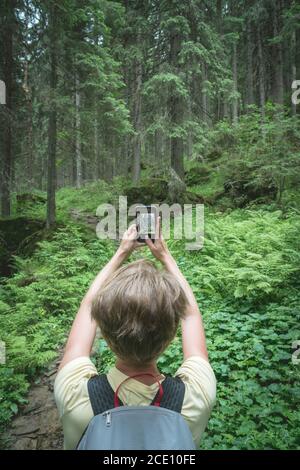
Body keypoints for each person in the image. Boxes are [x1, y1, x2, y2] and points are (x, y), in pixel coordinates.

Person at [54, 218, 216, 450]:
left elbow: (88, 306)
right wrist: (165, 256)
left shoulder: (73, 395)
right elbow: (190, 314)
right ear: (171, 337)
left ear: (105, 336)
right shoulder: (196, 397)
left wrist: (121, 252)